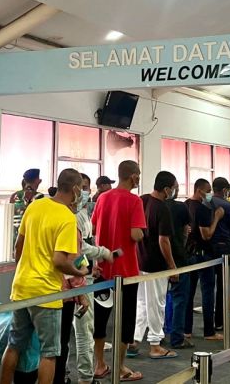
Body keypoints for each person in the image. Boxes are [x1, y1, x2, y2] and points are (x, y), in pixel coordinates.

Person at [0, 169, 87, 384]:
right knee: (49, 353)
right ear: (75, 189)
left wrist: (23, 270)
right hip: (47, 292)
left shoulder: (35, 206)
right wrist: (80, 272)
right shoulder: (67, 217)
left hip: (22, 287)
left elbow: (18, 247)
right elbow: (60, 261)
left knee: (14, 345)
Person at [91, 161, 146, 382]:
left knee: (100, 319)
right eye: (138, 174)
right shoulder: (135, 201)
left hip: (103, 268)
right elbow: (135, 234)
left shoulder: (102, 198)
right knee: (126, 321)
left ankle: (99, 365)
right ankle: (120, 367)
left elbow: (94, 227)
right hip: (127, 271)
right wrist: (142, 233)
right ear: (133, 176)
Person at [68, 174, 114, 384]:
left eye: (86, 187)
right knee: (83, 331)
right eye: (82, 188)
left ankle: (79, 373)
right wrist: (102, 252)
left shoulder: (83, 213)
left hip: (83, 277)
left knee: (83, 329)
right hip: (75, 281)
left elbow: (85, 244)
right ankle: (85, 376)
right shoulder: (70, 217)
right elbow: (78, 249)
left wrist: (91, 264)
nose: (84, 192)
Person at [131, 171, 179, 360]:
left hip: (139, 260)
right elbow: (163, 241)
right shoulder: (163, 208)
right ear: (166, 189)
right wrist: (172, 266)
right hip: (156, 264)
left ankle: (133, 340)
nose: (174, 191)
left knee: (142, 303)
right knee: (158, 304)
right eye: (174, 188)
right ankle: (155, 344)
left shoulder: (142, 200)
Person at [184, 179, 223, 343]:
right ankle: (209, 331)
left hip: (189, 254)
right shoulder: (202, 209)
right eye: (207, 190)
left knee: (188, 293)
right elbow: (206, 235)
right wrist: (217, 218)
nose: (210, 194)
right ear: (199, 190)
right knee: (207, 293)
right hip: (203, 256)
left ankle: (186, 330)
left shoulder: (185, 205)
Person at [163, 177, 194, 349]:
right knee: (179, 299)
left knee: (156, 300)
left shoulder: (152, 205)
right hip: (178, 258)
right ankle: (177, 337)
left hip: (156, 260)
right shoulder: (180, 207)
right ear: (168, 189)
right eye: (176, 187)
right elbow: (185, 232)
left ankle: (156, 335)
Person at [209, 178, 230, 325]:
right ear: (225, 190)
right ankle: (220, 321)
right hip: (223, 247)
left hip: (209, 247)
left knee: (207, 286)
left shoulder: (206, 202)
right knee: (223, 285)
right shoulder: (227, 205)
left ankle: (208, 323)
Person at [11, 169, 44, 255]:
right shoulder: (39, 197)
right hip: (30, 234)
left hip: (14, 233)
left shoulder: (14, 195)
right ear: (37, 180)